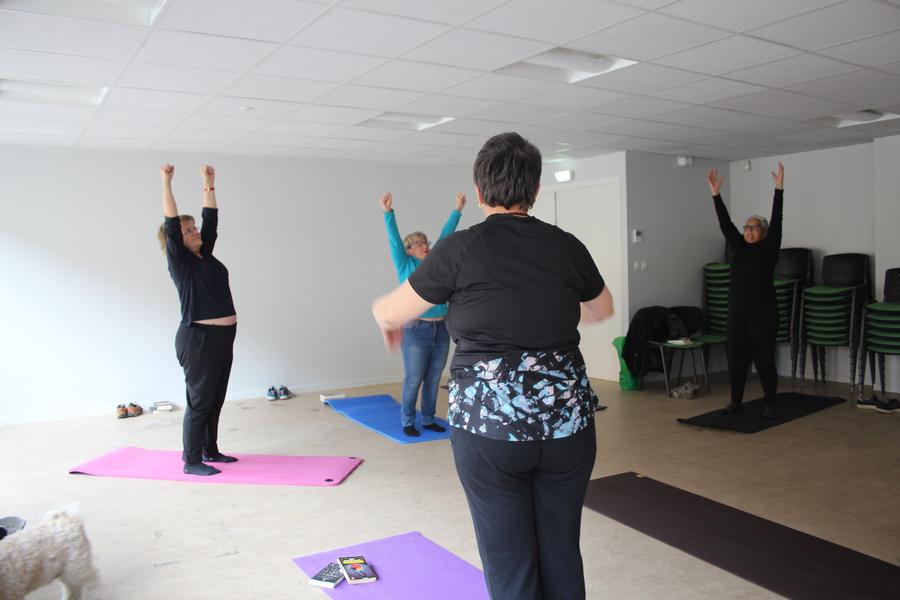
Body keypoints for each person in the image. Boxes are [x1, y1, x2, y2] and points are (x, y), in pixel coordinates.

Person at [373, 132, 614, 599]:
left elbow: (390, 311)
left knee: (510, 561)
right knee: (561, 549)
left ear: (480, 193)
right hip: (567, 428)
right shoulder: (566, 246)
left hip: (491, 432)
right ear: (536, 190)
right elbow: (602, 308)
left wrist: (388, 322)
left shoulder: (459, 250)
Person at [158, 164, 238, 476]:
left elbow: (211, 222)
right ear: (176, 239)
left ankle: (211, 450)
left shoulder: (207, 256)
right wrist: (167, 183)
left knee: (216, 398)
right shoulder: (182, 264)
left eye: (193, 228)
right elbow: (171, 224)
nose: (194, 232)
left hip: (222, 338)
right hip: (198, 339)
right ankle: (191, 461)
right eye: (187, 230)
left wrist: (208, 183)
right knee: (200, 401)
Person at [379, 191, 465, 437]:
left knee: (434, 377)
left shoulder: (436, 261)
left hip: (441, 328)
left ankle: (428, 419)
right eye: (418, 243)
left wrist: (457, 209)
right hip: (417, 329)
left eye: (425, 241)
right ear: (408, 250)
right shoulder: (405, 265)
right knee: (414, 379)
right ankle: (408, 421)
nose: (425, 245)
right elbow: (394, 239)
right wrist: (388, 213)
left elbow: (446, 236)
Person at [707, 162, 784, 419]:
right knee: (737, 360)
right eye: (747, 227)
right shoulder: (738, 247)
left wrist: (779, 190)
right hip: (737, 314)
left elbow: (778, 219)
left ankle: (770, 404)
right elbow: (724, 223)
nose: (749, 231)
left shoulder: (769, 248)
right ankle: (735, 402)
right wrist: (716, 195)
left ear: (763, 231)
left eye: (754, 228)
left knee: (763, 360)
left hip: (763, 314)